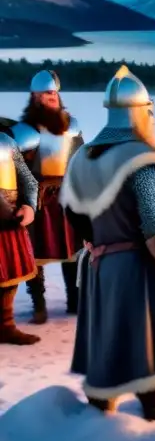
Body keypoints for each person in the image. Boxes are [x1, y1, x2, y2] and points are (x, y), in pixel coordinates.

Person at [60, 66, 155, 427]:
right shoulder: (140, 159)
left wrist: (95, 238)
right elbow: (153, 221)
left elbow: (70, 208)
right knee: (147, 340)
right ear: (142, 111)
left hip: (99, 266)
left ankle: (100, 413)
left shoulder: (83, 155)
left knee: (107, 338)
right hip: (137, 266)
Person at [8, 70, 84, 322]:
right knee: (35, 252)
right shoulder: (24, 131)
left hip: (67, 195)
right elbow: (16, 167)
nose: (51, 97)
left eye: (54, 93)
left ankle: (74, 300)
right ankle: (39, 305)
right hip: (37, 198)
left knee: (73, 251)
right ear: (34, 96)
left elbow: (79, 158)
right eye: (45, 93)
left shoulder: (71, 126)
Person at [0, 130, 40, 346]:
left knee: (9, 277)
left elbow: (28, 181)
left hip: (9, 220)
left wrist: (28, 207)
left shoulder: (6, 142)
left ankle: (5, 326)